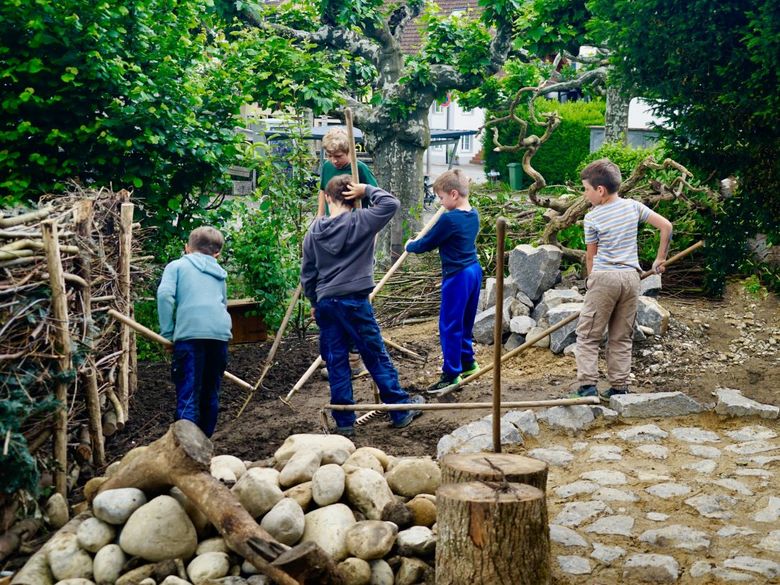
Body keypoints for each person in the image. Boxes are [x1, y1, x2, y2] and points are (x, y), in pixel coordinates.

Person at [301, 175, 424, 436]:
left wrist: (313, 301)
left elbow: (308, 273)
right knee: (374, 355)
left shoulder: (314, 231)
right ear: (353, 196)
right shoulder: (361, 220)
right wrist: (367, 189)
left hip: (326, 303)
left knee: (335, 361)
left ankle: (344, 422)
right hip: (354, 301)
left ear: (327, 197)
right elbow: (391, 203)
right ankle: (400, 410)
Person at [571, 158, 673, 401]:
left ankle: (587, 387)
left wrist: (591, 281)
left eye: (586, 189)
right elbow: (666, 226)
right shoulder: (633, 207)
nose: (585, 195)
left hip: (604, 278)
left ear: (600, 190)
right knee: (621, 335)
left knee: (588, 335)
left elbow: (591, 256)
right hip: (631, 278)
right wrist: (660, 259)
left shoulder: (592, 217)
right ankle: (619, 388)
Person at [405, 169, 483, 392]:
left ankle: (451, 374)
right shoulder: (473, 214)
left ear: (454, 194)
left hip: (458, 276)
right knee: (465, 321)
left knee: (449, 324)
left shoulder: (449, 219)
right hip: (474, 271)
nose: (440, 202)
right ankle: (467, 363)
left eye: (441, 197)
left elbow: (426, 244)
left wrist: (410, 245)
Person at [157, 226, 232, 437]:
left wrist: (167, 333)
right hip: (219, 335)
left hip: (190, 336)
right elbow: (223, 304)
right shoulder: (220, 273)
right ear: (217, 253)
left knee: (188, 392)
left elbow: (164, 296)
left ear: (187, 248)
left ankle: (187, 447)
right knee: (210, 392)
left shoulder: (177, 266)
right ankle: (204, 443)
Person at [317, 127, 378, 217]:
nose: (334, 161)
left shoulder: (360, 168)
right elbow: (323, 191)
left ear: (349, 152)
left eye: (338, 156)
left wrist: (363, 191)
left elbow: (376, 194)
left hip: (354, 220)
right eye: (329, 156)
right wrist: (319, 216)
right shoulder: (327, 166)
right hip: (332, 220)